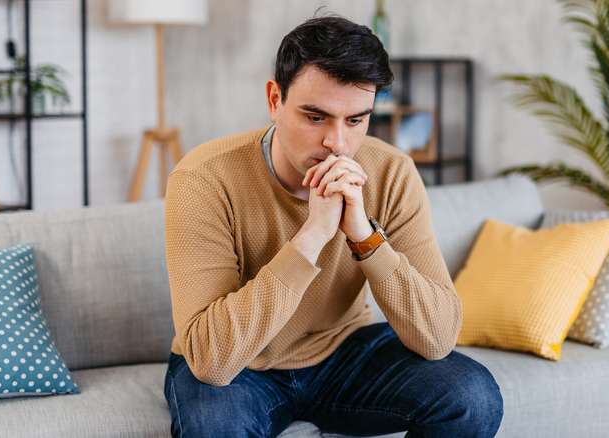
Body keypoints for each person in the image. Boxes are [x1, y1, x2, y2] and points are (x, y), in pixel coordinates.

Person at [163, 15, 503, 438]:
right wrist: (312, 237)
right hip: (242, 365)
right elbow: (211, 359)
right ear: (274, 99)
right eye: (315, 117)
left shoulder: (393, 173)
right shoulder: (204, 177)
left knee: (472, 397)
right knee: (215, 426)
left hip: (344, 352)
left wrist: (364, 235)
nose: (338, 144)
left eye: (356, 120)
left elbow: (437, 339)